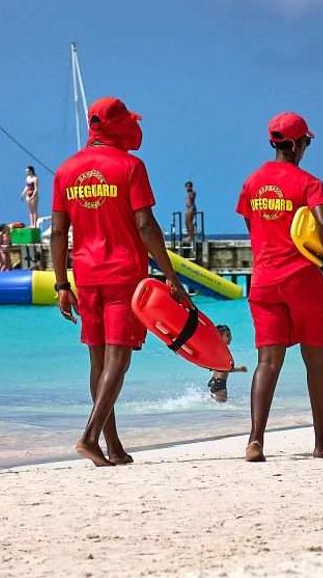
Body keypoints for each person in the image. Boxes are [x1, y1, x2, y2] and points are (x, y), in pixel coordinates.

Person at [51, 96, 189, 467]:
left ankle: (112, 447)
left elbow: (58, 233)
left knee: (98, 360)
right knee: (118, 359)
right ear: (116, 126)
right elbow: (145, 225)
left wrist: (62, 285)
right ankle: (89, 436)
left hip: (86, 275)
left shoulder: (66, 171)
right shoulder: (130, 166)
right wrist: (171, 275)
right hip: (123, 273)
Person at [237, 111, 323, 462]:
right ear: (298, 144)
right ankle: (322, 442)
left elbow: (251, 226)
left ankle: (255, 441)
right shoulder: (309, 183)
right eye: (307, 142)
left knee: (267, 362)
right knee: (315, 360)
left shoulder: (252, 182)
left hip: (264, 281)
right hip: (302, 278)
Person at [207, 325, 248, 403]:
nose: (230, 338)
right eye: (227, 335)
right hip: (220, 383)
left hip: (214, 381)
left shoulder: (216, 350)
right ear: (220, 337)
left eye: (230, 335)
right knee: (221, 407)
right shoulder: (223, 351)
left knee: (216, 407)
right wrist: (240, 369)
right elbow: (226, 368)